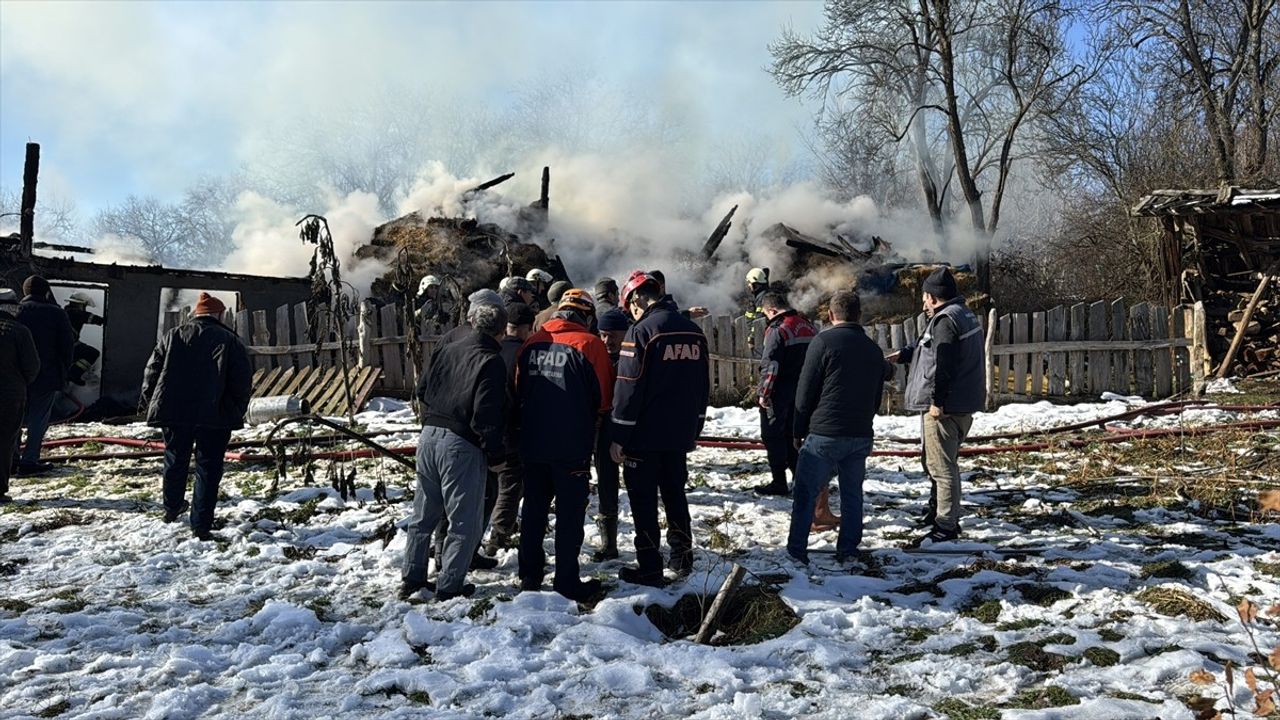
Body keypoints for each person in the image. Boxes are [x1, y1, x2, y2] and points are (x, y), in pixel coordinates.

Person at [404, 302, 509, 601]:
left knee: (423, 515)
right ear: (501, 331)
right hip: (461, 444)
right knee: (464, 521)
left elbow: (423, 389)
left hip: (428, 435)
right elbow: (485, 415)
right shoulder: (490, 360)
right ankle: (450, 586)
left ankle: (412, 578)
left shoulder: (448, 348)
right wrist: (496, 455)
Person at [611, 271, 710, 587]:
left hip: (644, 436)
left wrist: (619, 435)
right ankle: (682, 558)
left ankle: (650, 567)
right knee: (675, 496)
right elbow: (702, 387)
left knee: (643, 502)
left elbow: (628, 388)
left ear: (639, 297)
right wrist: (695, 426)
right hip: (679, 435)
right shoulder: (694, 332)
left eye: (630, 305)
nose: (631, 312)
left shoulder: (641, 332)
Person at [516, 289, 614, 601]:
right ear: (586, 316)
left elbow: (519, 387)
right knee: (570, 516)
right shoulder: (590, 344)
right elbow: (605, 397)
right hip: (572, 446)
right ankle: (566, 580)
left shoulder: (532, 342)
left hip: (532, 441)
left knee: (533, 510)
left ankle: (529, 575)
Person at [787, 290, 891, 566]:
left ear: (830, 315)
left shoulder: (823, 342)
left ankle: (797, 551)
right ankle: (848, 550)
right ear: (860, 316)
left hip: (824, 431)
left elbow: (805, 390)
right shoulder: (873, 349)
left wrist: (798, 430)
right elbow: (876, 395)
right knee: (852, 494)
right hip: (859, 433)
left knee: (806, 491)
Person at [139, 292, 252, 541]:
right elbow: (241, 382)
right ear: (219, 314)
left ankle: (171, 509)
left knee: (175, 459)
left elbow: (152, 371)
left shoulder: (172, 336)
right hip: (215, 415)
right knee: (208, 467)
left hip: (174, 412)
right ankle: (200, 524)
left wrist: (150, 403)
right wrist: (235, 409)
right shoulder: (229, 340)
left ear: (197, 314)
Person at [891, 267, 985, 545]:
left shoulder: (945, 320)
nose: (922, 304)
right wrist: (905, 354)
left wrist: (937, 402)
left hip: (946, 406)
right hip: (962, 401)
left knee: (942, 468)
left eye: (924, 298)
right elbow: (933, 349)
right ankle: (937, 512)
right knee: (939, 463)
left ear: (932, 297)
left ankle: (945, 525)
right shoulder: (963, 315)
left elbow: (944, 363)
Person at [484, 301, 536, 556]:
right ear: (528, 327)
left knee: (490, 485)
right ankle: (498, 536)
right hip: (515, 429)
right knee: (511, 484)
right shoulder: (526, 354)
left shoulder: (491, 349)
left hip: (487, 427)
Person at [753, 292, 817, 496]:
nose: (766, 318)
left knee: (773, 436)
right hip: (804, 394)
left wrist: (764, 393)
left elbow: (770, 365)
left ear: (772, 310)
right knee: (796, 435)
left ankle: (779, 481)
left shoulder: (777, 329)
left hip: (779, 394)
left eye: (765, 314)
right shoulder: (807, 325)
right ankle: (801, 478)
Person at [14, 276, 74, 476]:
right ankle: (30, 460)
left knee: (14, 418)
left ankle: (11, 458)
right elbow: (67, 346)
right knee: (38, 418)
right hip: (46, 375)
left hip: (17, 376)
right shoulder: (56, 313)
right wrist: (65, 370)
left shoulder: (15, 311)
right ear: (46, 291)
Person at [592, 307, 629, 560]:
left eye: (612, 335)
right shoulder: (596, 357)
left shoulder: (633, 358)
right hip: (600, 430)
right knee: (606, 483)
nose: (607, 341)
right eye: (603, 335)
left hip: (629, 428)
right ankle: (610, 543)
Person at [0, 289, 39, 502]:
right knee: (5, 441)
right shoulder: (20, 331)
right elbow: (32, 367)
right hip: (10, 396)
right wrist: (20, 383)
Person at [63, 292, 103, 387]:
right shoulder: (74, 313)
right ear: (80, 304)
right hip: (67, 347)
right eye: (84, 306)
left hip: (64, 346)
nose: (85, 308)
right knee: (92, 353)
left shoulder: (65, 312)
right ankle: (74, 373)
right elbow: (94, 319)